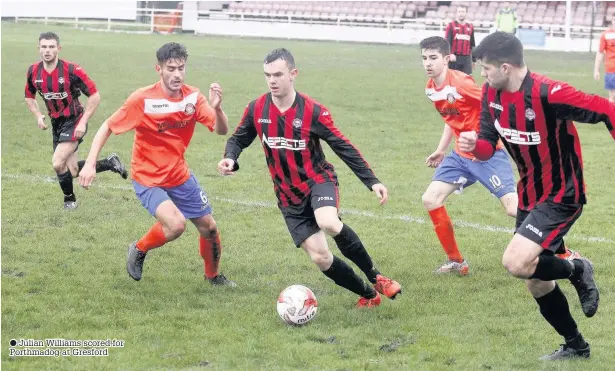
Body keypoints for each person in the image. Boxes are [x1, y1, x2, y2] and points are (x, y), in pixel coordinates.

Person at [459, 31, 608, 360]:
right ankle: (576, 346)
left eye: (486, 68)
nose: (482, 74)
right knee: (536, 280)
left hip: (562, 193)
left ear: (507, 67)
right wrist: (474, 145)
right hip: (530, 194)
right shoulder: (491, 93)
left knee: (516, 262)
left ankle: (577, 268)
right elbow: (487, 145)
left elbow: (605, 109)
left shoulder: (549, 93)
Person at [218, 48, 401, 308]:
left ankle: (377, 277)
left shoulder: (313, 111)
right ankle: (369, 295)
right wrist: (231, 157)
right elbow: (238, 138)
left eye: (278, 74)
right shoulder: (257, 108)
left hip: (318, 180)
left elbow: (343, 146)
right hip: (287, 195)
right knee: (320, 258)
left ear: (293, 74)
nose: (272, 80)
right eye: (267, 75)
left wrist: (372, 181)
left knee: (327, 221)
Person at [420, 36, 580, 276]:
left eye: (433, 58)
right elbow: (450, 118)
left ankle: (564, 252)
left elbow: (493, 102)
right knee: (430, 199)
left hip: (487, 156)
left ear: (447, 59)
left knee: (515, 208)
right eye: (424, 58)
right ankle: (457, 262)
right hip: (459, 157)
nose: (428, 63)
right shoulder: (431, 88)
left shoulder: (462, 84)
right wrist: (441, 149)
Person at [79, 42, 235, 286]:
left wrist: (218, 109)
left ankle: (213, 277)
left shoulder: (193, 97)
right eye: (170, 68)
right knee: (175, 225)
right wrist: (89, 164)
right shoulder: (143, 99)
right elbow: (108, 126)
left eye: (181, 68)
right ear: (159, 69)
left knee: (210, 229)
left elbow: (220, 129)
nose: (177, 74)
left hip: (179, 175)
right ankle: (139, 248)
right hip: (148, 178)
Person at [24, 31, 127, 210]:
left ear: (58, 49)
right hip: (56, 123)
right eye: (44, 47)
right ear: (38, 49)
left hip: (74, 120)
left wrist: (83, 122)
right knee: (70, 171)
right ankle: (110, 162)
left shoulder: (72, 70)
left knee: (57, 163)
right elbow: (28, 96)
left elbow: (94, 96)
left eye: (51, 47)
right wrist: (38, 115)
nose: (47, 50)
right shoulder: (33, 71)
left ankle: (69, 200)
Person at [444, 5, 476, 75]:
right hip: (454, 58)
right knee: (454, 79)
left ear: (466, 13)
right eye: (459, 12)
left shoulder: (470, 27)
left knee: (467, 80)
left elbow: (472, 44)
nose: (461, 13)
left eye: (463, 12)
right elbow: (447, 42)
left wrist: (474, 60)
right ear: (456, 13)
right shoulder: (451, 25)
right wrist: (450, 54)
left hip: (466, 59)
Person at [594, 13, 615, 103]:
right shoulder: (606, 35)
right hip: (611, 69)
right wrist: (596, 70)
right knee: (612, 97)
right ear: (612, 21)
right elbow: (600, 53)